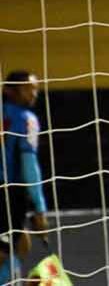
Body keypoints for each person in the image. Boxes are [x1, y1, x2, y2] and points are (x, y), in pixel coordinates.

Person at [0, 71, 50, 283]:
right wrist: (39, 210)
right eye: (28, 88)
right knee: (4, 253)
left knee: (22, 244)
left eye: (36, 88)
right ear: (10, 90)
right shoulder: (26, 119)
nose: (34, 93)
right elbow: (30, 167)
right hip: (7, 193)